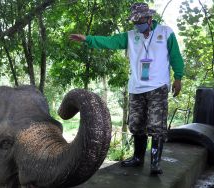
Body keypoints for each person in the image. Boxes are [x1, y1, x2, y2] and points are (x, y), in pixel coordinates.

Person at [69, 2, 184, 175]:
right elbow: (110, 42)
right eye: (135, 22)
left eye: (140, 21)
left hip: (158, 86)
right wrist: (88, 39)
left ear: (149, 18)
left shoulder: (165, 33)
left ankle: (155, 162)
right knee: (136, 124)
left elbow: (176, 56)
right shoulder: (130, 36)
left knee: (156, 124)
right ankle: (138, 158)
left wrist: (178, 77)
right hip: (136, 87)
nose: (138, 25)